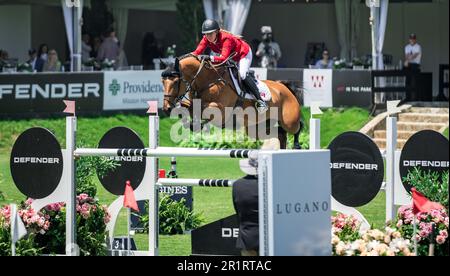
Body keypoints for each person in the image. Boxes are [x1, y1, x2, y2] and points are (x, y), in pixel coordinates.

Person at [192, 19, 268, 113]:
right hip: (231, 57)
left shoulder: (226, 38)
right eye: (206, 34)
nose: (208, 36)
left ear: (216, 32)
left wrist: (209, 57)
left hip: (243, 54)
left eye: (210, 34)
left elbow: (223, 58)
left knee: (242, 74)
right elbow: (196, 53)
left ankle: (261, 101)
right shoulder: (206, 38)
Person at [232, 138, 280, 256]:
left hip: (247, 239)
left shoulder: (237, 185)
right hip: (272, 238)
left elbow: (238, 212)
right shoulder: (273, 184)